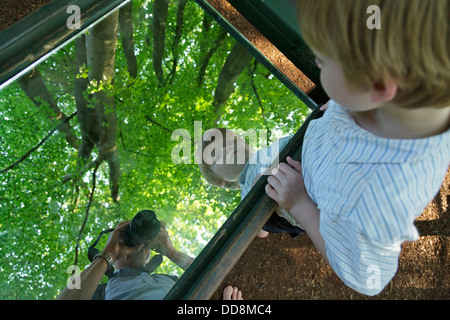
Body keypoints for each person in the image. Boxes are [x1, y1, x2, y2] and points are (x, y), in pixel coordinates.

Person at [264, 0, 450, 296]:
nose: (316, 61)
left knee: (277, 217)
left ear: (376, 88)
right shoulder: (417, 101)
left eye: (322, 61)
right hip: (318, 161)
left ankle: (281, 223)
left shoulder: (366, 200)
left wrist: (301, 205)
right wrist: (344, 102)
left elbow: (368, 279)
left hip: (306, 197)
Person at [197, 128, 305, 238]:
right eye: (217, 156)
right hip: (299, 194)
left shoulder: (269, 150)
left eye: (230, 142)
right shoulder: (245, 200)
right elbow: (258, 230)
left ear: (245, 143)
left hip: (305, 150)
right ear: (222, 182)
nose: (226, 149)